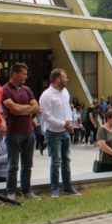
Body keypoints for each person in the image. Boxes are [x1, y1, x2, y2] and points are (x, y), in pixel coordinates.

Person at [2, 63, 41, 200]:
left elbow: (36, 107)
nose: (26, 76)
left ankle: (26, 191)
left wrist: (22, 109)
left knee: (27, 165)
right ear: (14, 74)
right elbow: (14, 109)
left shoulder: (26, 89)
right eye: (24, 74)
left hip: (29, 132)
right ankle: (11, 192)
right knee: (13, 165)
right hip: (14, 133)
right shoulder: (5, 90)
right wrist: (28, 109)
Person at [39, 68, 81, 197]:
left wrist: (69, 124)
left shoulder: (65, 92)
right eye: (65, 77)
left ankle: (68, 187)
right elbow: (47, 117)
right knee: (56, 161)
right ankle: (55, 189)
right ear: (58, 79)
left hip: (65, 132)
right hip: (53, 132)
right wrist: (63, 123)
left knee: (66, 160)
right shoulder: (47, 95)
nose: (67, 79)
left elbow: (67, 109)